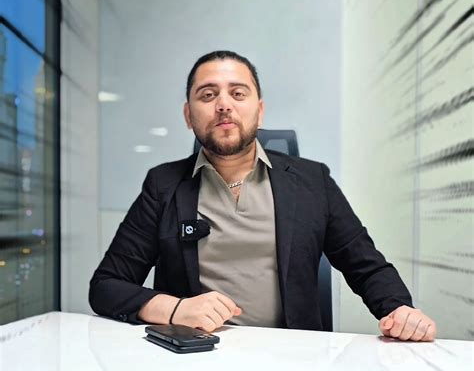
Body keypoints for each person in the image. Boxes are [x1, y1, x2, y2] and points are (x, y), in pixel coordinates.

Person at [89, 50, 436, 342]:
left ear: (260, 109)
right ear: (188, 115)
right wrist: (176, 308)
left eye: (238, 94)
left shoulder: (312, 181)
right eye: (208, 95)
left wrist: (399, 310)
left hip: (293, 362)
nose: (223, 105)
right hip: (194, 361)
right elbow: (106, 286)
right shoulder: (163, 185)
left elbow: (366, 266)